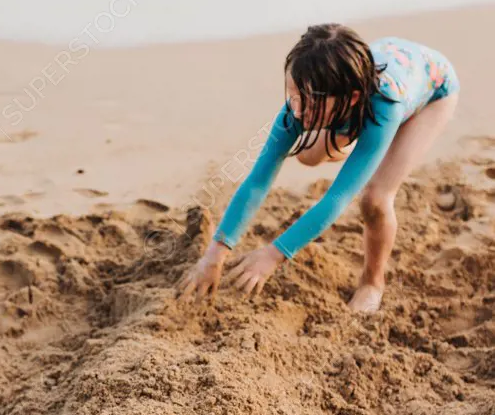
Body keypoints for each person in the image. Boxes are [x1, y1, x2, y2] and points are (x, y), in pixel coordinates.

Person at [181, 24, 459, 312]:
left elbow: (336, 198)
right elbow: (258, 181)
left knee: (374, 198)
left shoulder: (384, 107)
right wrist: (215, 254)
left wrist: (274, 255)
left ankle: (373, 282)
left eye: (310, 103)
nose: (298, 112)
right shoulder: (303, 99)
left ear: (350, 98)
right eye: (293, 96)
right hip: (379, 67)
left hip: (432, 92)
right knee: (308, 156)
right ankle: (349, 138)